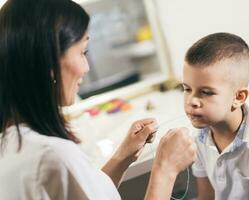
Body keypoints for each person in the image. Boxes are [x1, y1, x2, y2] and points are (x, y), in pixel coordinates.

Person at [0, 0, 197, 199]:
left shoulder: (11, 144)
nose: (86, 67)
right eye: (82, 52)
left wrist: (123, 157)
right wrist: (166, 168)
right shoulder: (52, 156)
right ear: (49, 62)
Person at [182, 32, 249, 200]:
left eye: (206, 92)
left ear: (238, 97)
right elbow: (206, 196)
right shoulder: (199, 138)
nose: (192, 101)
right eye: (187, 89)